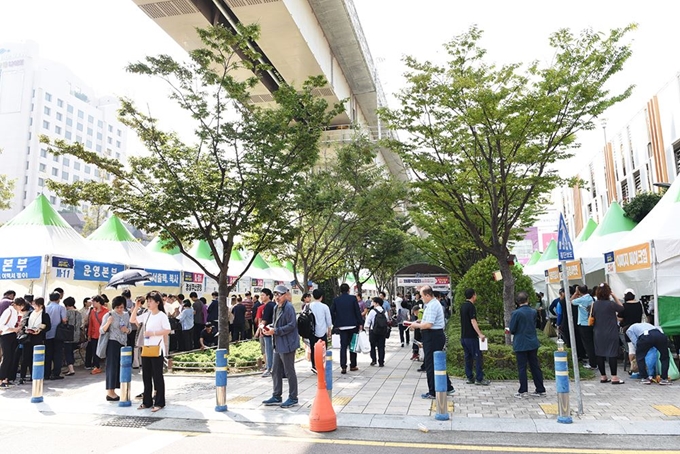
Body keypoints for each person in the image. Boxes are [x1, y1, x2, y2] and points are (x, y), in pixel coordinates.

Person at [409, 285, 454, 399]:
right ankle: (447, 387)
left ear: (428, 295)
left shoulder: (433, 305)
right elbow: (428, 320)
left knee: (430, 363)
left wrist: (416, 325)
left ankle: (433, 391)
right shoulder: (430, 304)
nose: (421, 298)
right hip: (432, 335)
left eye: (423, 295)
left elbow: (429, 324)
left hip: (433, 336)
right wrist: (420, 321)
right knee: (437, 363)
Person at [130, 291, 171, 412]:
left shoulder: (162, 315)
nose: (148, 303)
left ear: (157, 302)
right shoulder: (147, 314)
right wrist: (136, 307)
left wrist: (152, 333)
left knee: (157, 376)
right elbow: (133, 320)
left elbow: (167, 330)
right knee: (146, 376)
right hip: (146, 348)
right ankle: (146, 401)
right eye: (147, 301)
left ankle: (159, 402)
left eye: (151, 301)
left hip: (157, 349)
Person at [261, 285, 299, 408]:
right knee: (275, 370)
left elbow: (292, 325)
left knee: (289, 371)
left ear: (285, 295)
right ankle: (276, 395)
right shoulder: (276, 307)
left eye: (280, 294)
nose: (277, 297)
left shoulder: (289, 308)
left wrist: (275, 331)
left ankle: (293, 397)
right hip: (278, 343)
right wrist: (268, 328)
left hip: (287, 344)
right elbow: (275, 323)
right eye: (276, 294)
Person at [510, 292, 546, 398]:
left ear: (517, 301)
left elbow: (512, 329)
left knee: (522, 367)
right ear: (528, 300)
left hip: (521, 343)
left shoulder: (516, 313)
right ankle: (540, 389)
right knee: (535, 366)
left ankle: (523, 390)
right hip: (532, 342)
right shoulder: (533, 312)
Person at [591, 283, 625, 384]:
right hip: (611, 332)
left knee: (599, 353)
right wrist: (614, 296)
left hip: (598, 332)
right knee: (612, 353)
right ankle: (614, 377)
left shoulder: (595, 304)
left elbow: (592, 315)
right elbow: (622, 308)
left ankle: (603, 376)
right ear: (608, 293)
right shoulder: (611, 304)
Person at [101, 296, 131, 401]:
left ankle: (118, 389)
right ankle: (110, 391)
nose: (119, 309)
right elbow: (102, 330)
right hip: (112, 342)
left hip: (123, 343)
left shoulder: (127, 315)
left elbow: (130, 329)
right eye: (117, 307)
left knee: (121, 367)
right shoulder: (109, 315)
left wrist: (126, 330)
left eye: (122, 307)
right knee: (112, 367)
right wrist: (108, 322)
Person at [331, 283, 363, 374]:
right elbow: (357, 311)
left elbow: (331, 311)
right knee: (353, 345)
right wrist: (360, 323)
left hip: (342, 326)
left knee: (343, 346)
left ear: (340, 290)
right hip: (353, 325)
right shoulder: (353, 298)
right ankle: (353, 365)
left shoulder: (336, 300)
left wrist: (335, 322)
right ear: (349, 290)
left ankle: (343, 366)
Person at [460, 288, 489, 385]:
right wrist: (480, 334)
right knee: (478, 357)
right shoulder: (471, 306)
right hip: (471, 337)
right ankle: (479, 378)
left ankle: (469, 377)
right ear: (473, 295)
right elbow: (473, 321)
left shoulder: (462, 306)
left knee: (468, 357)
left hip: (463, 336)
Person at [21, 297, 50, 383]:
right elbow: (24, 324)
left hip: (38, 338)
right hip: (28, 337)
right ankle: (23, 376)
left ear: (41, 306)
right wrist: (25, 329)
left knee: (36, 357)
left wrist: (40, 330)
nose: (34, 307)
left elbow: (48, 326)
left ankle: (34, 375)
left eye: (36, 305)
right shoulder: (30, 313)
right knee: (26, 357)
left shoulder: (44, 315)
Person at [618, 288, 647, 373]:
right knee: (639, 347)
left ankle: (633, 367)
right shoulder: (639, 304)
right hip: (639, 328)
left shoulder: (624, 306)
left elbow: (620, 318)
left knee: (631, 348)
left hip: (628, 329)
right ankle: (641, 366)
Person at [571, 285, 597, 370]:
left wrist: (575, 293)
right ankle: (595, 361)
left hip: (583, 324)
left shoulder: (581, 300)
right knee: (592, 343)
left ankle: (593, 363)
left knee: (588, 345)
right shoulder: (591, 298)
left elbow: (570, 301)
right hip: (591, 323)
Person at [308, 289, 332, 374]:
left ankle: (314, 366)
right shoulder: (325, 307)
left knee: (313, 348)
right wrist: (329, 330)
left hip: (312, 331)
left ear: (313, 296)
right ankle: (322, 364)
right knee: (323, 349)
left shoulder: (309, 306)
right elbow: (328, 320)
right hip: (322, 331)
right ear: (321, 297)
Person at [44, 291, 67, 380]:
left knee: (48, 354)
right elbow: (64, 320)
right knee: (58, 354)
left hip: (47, 333)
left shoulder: (46, 308)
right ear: (59, 298)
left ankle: (46, 373)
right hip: (58, 334)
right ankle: (56, 373)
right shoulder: (61, 308)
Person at [0, 298, 21, 387]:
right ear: (16, 304)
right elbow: (1, 325)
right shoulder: (8, 311)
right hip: (6, 335)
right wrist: (14, 329)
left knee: (11, 357)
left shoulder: (15, 312)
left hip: (12, 335)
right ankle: (1, 379)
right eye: (20, 306)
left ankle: (6, 378)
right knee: (7, 357)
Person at [87, 296, 109, 374]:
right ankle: (97, 366)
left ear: (98, 302)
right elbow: (91, 323)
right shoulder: (93, 311)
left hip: (103, 334)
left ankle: (107, 365)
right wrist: (89, 334)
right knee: (95, 351)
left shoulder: (107, 311)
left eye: (94, 302)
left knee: (105, 350)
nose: (92, 303)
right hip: (94, 334)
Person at [365, 296, 388, 367]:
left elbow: (368, 321)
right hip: (382, 331)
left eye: (373, 302)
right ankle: (381, 362)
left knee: (372, 346)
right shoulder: (384, 311)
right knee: (381, 347)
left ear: (377, 303)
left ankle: (374, 360)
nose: (372, 303)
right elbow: (386, 320)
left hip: (373, 331)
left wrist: (366, 330)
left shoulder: (372, 311)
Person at [63, 297, 82, 376]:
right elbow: (80, 324)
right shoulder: (79, 313)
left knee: (68, 352)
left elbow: (64, 322)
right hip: (76, 335)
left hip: (68, 335)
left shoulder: (66, 313)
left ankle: (71, 369)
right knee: (72, 351)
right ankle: (70, 367)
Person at [260, 288, 276, 378]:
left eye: (263, 295)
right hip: (273, 330)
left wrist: (261, 328)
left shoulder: (268, 306)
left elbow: (264, 320)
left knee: (268, 350)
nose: (261, 297)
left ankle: (269, 368)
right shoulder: (274, 305)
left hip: (267, 331)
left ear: (268, 296)